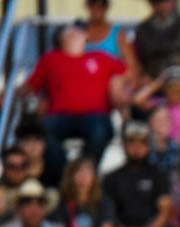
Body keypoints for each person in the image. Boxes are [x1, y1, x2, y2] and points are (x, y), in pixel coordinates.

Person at [20, 22, 127, 187]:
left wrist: (119, 90)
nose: (76, 34)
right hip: (59, 115)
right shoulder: (50, 59)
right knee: (45, 130)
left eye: (80, 32)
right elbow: (31, 85)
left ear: (86, 37)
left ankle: (85, 172)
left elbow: (128, 73)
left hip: (95, 115)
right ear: (61, 37)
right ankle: (67, 175)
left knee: (101, 130)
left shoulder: (101, 57)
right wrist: (7, 95)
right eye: (71, 31)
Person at [103, 121, 173, 227]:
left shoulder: (159, 174)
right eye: (131, 143)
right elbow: (108, 211)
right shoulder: (112, 177)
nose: (136, 148)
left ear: (148, 146)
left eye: (142, 143)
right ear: (124, 146)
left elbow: (165, 210)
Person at [131, 0, 180, 99]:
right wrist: (142, 76)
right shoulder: (142, 29)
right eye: (158, 2)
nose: (163, 5)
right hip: (155, 83)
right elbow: (136, 62)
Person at [83, 0, 137, 65]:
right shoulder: (78, 32)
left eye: (102, 4)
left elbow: (132, 65)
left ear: (107, 7)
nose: (96, 8)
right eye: (92, 3)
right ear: (88, 5)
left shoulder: (118, 34)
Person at [1, 146, 32, 220]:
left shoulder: (37, 189)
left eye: (23, 165)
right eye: (12, 166)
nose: (18, 171)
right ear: (4, 168)